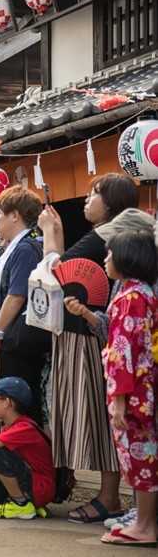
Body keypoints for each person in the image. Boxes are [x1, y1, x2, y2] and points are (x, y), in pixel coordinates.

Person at [38, 173, 138, 524]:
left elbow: (59, 272)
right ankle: (107, 495)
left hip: (92, 338)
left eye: (94, 193)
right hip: (88, 334)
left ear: (110, 202)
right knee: (96, 416)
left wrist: (52, 233)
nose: (87, 199)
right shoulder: (113, 233)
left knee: (100, 416)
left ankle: (110, 497)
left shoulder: (110, 233)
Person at [99, 230, 158, 547]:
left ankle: (146, 525)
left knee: (139, 457)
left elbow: (124, 353)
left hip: (132, 392)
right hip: (144, 387)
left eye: (110, 254)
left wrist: (120, 401)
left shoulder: (129, 299)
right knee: (143, 456)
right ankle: (143, 519)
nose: (106, 259)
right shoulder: (144, 294)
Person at [0, 186, 46, 424]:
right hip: (17, 336)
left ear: (15, 215)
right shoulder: (20, 246)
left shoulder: (25, 248)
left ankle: (26, 458)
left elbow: (17, 295)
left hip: (18, 338)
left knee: (17, 405)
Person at [0, 377, 55, 519]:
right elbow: (4, 472)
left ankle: (20, 505)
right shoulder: (8, 427)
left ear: (7, 402)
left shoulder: (24, 427)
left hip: (39, 488)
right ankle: (25, 504)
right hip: (24, 485)